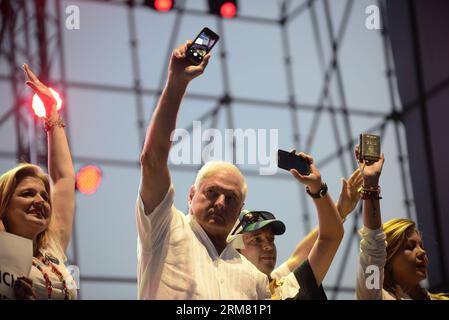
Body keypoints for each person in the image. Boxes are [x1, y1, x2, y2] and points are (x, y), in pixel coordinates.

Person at [136, 41, 271, 299]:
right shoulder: (164, 228)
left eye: (231, 199)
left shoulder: (254, 278)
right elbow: (152, 160)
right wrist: (177, 83)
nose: (220, 203)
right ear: (191, 195)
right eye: (212, 192)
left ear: (241, 210)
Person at [233, 153, 360, 299]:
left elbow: (317, 246)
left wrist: (321, 192)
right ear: (235, 250)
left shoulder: (286, 289)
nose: (268, 246)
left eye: (271, 239)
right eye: (256, 239)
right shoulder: (220, 292)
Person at [0, 64, 76, 299]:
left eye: (44, 195)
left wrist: (51, 112)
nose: (40, 201)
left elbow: (64, 178)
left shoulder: (52, 245)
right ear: (3, 204)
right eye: (27, 194)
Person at [355, 146, 448, 300]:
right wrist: (371, 183)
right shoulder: (373, 294)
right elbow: (373, 246)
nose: (422, 253)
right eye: (410, 247)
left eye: (422, 246)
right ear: (387, 258)